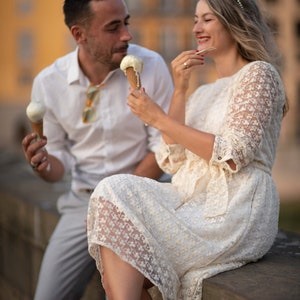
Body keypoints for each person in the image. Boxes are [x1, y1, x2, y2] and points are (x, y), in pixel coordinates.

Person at [86, 0, 288, 299]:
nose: (196, 28)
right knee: (112, 192)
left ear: (234, 22)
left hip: (235, 206)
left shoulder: (260, 74)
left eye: (207, 19)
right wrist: (180, 89)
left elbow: (234, 154)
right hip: (187, 200)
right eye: (195, 19)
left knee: (119, 216)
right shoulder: (203, 91)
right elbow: (173, 159)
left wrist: (156, 117)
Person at [21, 0, 173, 299]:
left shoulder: (152, 66)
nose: (127, 35)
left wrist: (119, 198)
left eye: (126, 22)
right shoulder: (49, 83)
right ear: (79, 34)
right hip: (83, 206)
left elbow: (163, 147)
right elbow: (59, 161)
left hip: (145, 199)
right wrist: (43, 164)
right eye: (113, 27)